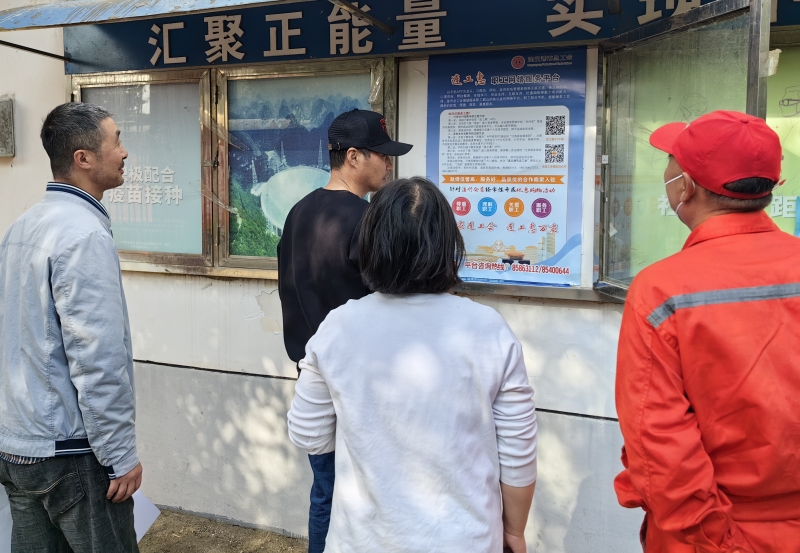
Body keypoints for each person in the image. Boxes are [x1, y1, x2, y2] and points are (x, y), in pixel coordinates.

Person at [287, 177, 539, 553]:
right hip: (465, 541)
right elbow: (518, 454)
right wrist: (514, 531)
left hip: (362, 541)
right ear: (447, 244)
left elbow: (308, 433)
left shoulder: (339, 326)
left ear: (372, 244)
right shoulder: (488, 328)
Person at [614, 110, 800, 552]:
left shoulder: (661, 290)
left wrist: (717, 541)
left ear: (685, 187)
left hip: (711, 534)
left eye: (671, 162)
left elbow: (658, 443)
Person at [0, 102, 142, 552]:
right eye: (116, 141)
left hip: (18, 445)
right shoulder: (83, 235)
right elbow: (97, 356)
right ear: (83, 158)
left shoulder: (21, 227)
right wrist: (120, 455)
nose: (124, 152)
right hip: (71, 453)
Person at [277, 109, 412, 552]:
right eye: (382, 155)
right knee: (370, 494)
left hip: (312, 376)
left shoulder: (297, 213)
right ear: (353, 156)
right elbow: (390, 301)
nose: (389, 164)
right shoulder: (369, 219)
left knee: (326, 491)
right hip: (364, 380)